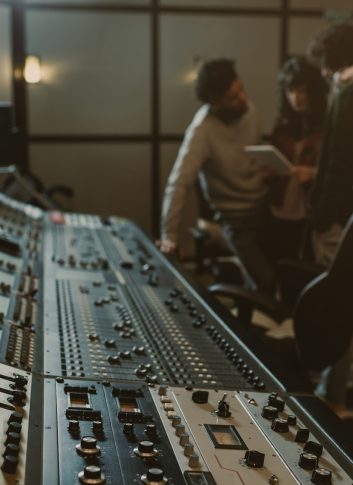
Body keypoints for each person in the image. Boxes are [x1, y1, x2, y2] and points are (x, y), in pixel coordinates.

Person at [159, 59, 276, 294]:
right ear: (215, 103)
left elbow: (250, 154)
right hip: (234, 219)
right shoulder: (202, 130)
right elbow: (178, 183)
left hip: (264, 207)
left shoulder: (248, 109)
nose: (242, 98)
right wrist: (169, 235)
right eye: (232, 98)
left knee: (291, 273)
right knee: (266, 283)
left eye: (241, 89)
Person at [307, 22, 353, 416]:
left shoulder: (346, 92)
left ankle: (332, 393)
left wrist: (321, 218)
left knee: (337, 302)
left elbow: (337, 166)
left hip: (338, 217)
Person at [267, 56, 327, 261]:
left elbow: (339, 171)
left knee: (305, 265)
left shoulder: (327, 124)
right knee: (282, 261)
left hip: (310, 209)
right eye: (290, 91)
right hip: (280, 207)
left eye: (301, 91)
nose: (296, 98)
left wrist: (312, 173)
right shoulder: (282, 126)